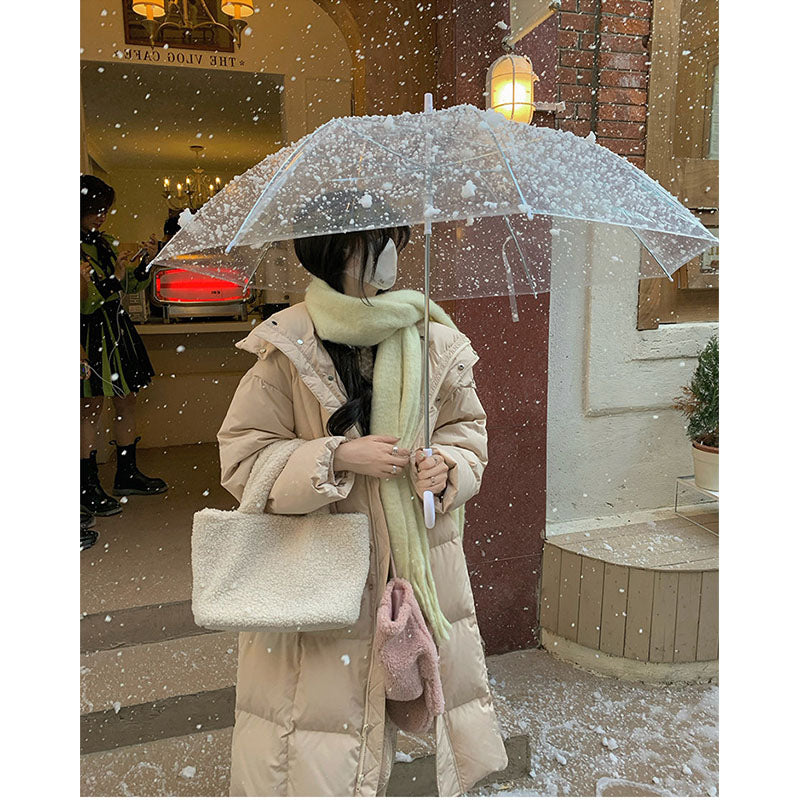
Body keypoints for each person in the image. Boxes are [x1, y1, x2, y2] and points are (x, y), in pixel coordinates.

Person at [217, 224, 508, 795]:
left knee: (394, 709)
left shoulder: (432, 337)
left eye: (396, 238)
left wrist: (447, 466)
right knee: (313, 738)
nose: (395, 255)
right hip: (322, 571)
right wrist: (338, 455)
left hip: (410, 562)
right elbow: (243, 457)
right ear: (343, 250)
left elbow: (467, 432)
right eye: (382, 240)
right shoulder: (288, 344)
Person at [80, 175, 168, 516]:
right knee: (89, 410)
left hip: (115, 332)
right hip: (89, 334)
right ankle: (86, 486)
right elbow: (84, 303)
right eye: (93, 210)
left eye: (104, 209)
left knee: (126, 401)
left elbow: (126, 285)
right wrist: (116, 277)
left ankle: (126, 473)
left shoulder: (106, 242)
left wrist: (144, 262)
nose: (101, 215)